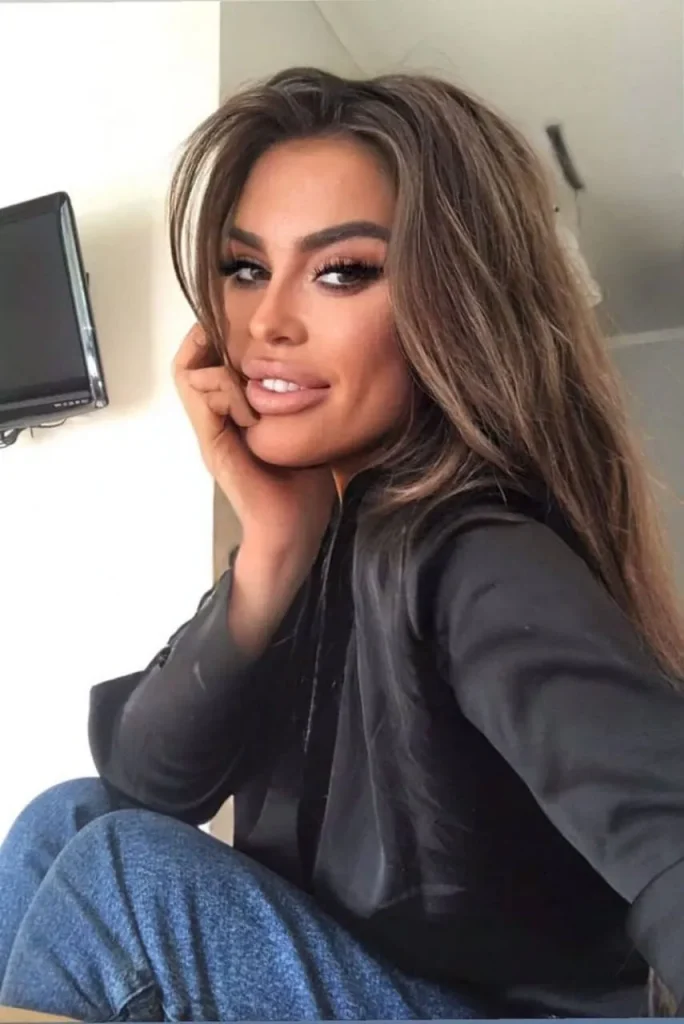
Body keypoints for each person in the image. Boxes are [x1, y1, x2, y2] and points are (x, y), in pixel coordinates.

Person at [1, 66, 684, 1023]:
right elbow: (147, 779)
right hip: (376, 969)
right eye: (246, 268)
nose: (266, 323)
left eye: (343, 271)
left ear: (453, 307)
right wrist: (272, 550)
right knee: (67, 821)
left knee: (121, 873)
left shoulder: (477, 557)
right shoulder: (326, 542)